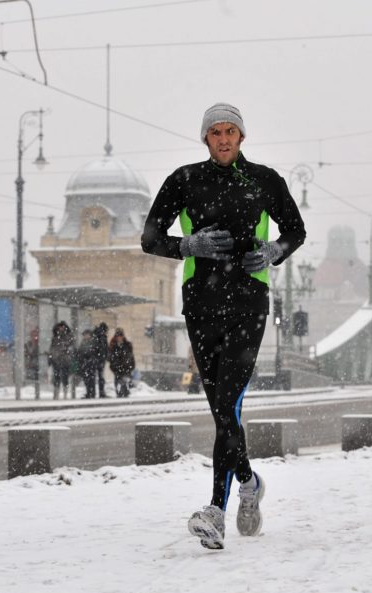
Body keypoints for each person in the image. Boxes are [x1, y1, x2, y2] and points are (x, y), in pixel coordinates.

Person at [140, 102, 306, 550]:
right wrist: (187, 244)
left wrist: (274, 252)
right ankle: (249, 482)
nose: (224, 138)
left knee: (229, 403)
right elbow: (151, 238)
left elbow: (295, 230)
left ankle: (215, 509)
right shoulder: (184, 180)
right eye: (216, 132)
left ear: (242, 136)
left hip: (249, 302)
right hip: (201, 304)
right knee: (221, 411)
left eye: (231, 130)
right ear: (205, 139)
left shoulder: (266, 180)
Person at [48, 321, 75, 400]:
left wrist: (66, 350)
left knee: (65, 376)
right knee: (56, 376)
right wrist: (51, 357)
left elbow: (71, 347)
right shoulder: (55, 337)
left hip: (65, 360)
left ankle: (65, 394)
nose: (61, 328)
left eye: (62, 327)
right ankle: (56, 393)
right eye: (60, 327)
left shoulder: (69, 336)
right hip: (56, 359)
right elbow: (52, 348)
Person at [108, 328, 136, 398]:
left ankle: (125, 392)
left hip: (125, 367)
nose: (119, 338)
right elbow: (110, 357)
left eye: (121, 336)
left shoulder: (127, 345)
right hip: (117, 367)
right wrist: (114, 364)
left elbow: (131, 356)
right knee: (118, 381)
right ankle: (120, 393)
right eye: (118, 336)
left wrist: (131, 365)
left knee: (124, 381)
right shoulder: (113, 345)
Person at [77, 329, 97, 398]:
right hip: (84, 363)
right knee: (86, 379)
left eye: (87, 334)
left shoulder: (93, 342)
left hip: (91, 363)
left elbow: (94, 352)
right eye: (85, 335)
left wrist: (89, 357)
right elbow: (80, 352)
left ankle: (92, 393)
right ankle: (89, 392)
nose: (86, 336)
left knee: (91, 379)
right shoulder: (83, 342)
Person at [92, 322, 110, 398]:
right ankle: (101, 392)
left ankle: (92, 392)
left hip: (94, 359)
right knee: (100, 377)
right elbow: (103, 348)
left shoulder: (95, 335)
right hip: (100, 359)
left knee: (93, 376)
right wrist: (105, 357)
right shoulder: (102, 336)